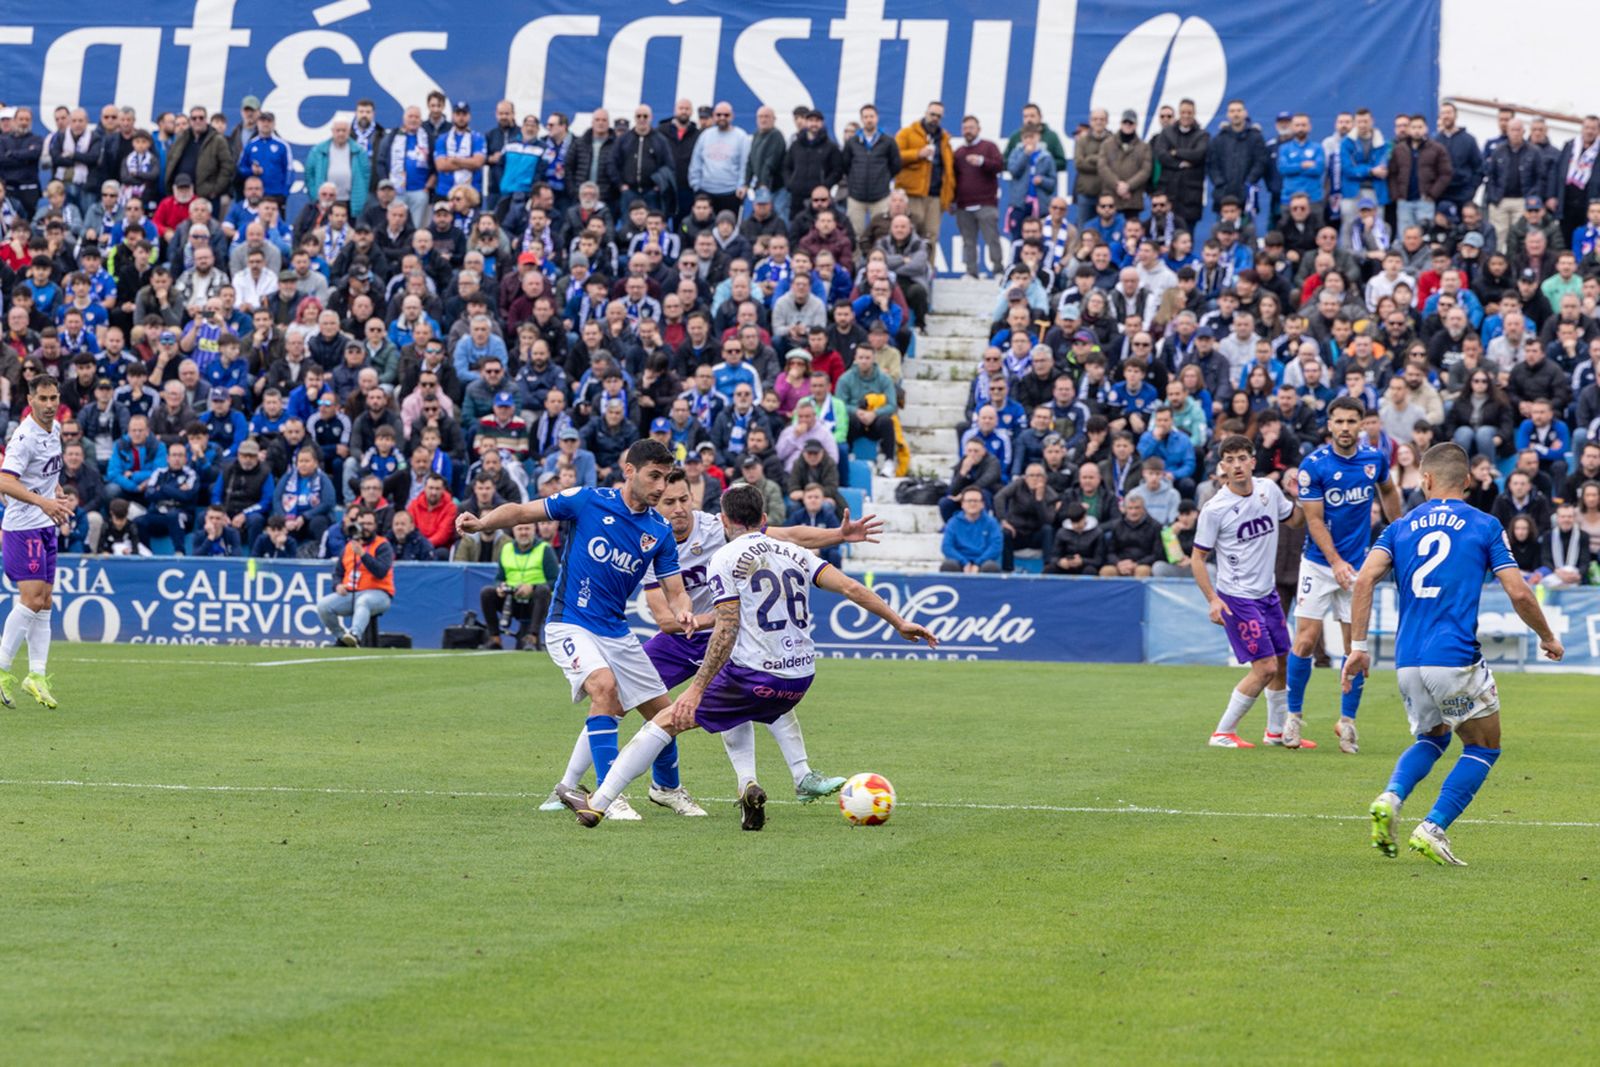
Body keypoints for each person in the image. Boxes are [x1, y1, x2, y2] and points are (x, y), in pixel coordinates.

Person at [550, 482, 937, 828]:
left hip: (745, 664)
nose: (680, 507)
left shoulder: (723, 554)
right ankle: (762, 781)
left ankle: (599, 803)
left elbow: (727, 627)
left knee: (666, 720)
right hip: (798, 678)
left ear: (721, 519)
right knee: (736, 701)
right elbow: (851, 587)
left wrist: (696, 689)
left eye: (685, 498)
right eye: (671, 500)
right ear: (764, 518)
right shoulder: (791, 552)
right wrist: (899, 622)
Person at [457, 439, 696, 823]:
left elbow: (677, 592)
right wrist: (483, 523)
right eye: (654, 476)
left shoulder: (659, 531)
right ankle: (607, 794)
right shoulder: (587, 500)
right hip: (570, 622)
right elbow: (522, 510)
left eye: (666, 479)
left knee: (666, 717)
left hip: (615, 631)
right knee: (603, 687)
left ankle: (667, 789)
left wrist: (684, 613)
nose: (660, 487)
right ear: (629, 470)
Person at [1347, 443, 1563, 866]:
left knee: (1433, 737)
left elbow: (1362, 581)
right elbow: (1518, 591)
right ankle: (1433, 826)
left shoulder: (1400, 527)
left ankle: (1391, 797)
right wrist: (1547, 636)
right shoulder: (1484, 524)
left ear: (1425, 480)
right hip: (1454, 657)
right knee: (1484, 746)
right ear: (1467, 481)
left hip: (1408, 660)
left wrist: (1357, 649)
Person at [1285, 397, 1403, 752]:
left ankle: (1347, 722)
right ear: (1330, 424)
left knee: (1357, 646)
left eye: (1354, 421)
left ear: (1363, 425)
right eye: (1340, 422)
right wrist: (1335, 562)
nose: (1347, 428)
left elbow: (1389, 490)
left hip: (1358, 568)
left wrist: (1398, 532)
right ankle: (1293, 718)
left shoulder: (1374, 460)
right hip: (1319, 565)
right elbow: (1314, 520)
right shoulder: (1314, 466)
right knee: (1305, 640)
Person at [1190, 434, 1307, 748]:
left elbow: (1294, 521)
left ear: (1253, 462)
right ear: (1222, 467)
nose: (1237, 465)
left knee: (1282, 660)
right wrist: (1213, 600)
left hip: (1267, 594)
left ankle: (1276, 732)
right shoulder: (1215, 509)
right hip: (1237, 598)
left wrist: (1300, 497)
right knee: (1266, 667)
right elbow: (1197, 559)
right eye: (1230, 460)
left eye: (1242, 458)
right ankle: (1222, 732)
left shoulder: (1268, 489)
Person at [0, 373, 67, 708]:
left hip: (44, 524)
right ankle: (1, 669)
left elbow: (44, 473)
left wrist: (55, 491)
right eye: (43, 398)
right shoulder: (24, 437)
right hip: (22, 526)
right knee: (30, 598)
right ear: (30, 400)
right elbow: (5, 482)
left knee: (45, 602)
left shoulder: (54, 429)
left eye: (54, 398)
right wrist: (43, 502)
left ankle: (36, 676)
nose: (49, 405)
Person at [314, 505, 395, 646]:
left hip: (379, 594)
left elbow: (381, 571)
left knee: (363, 601)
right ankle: (342, 638)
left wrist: (363, 554)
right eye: (362, 524)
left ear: (375, 526)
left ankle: (355, 635)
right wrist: (337, 585)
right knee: (323, 606)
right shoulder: (348, 547)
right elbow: (338, 572)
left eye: (369, 524)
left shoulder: (383, 545)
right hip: (352, 593)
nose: (366, 527)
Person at [479, 521, 558, 651]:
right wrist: (500, 587)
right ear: (514, 531)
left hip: (536, 601)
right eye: (520, 529)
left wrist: (532, 587)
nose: (523, 532)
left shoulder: (545, 549)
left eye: (527, 529)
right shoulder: (506, 548)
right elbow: (499, 578)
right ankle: (494, 638)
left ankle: (532, 638)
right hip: (511, 600)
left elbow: (555, 581)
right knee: (487, 592)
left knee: (543, 590)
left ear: (534, 530)